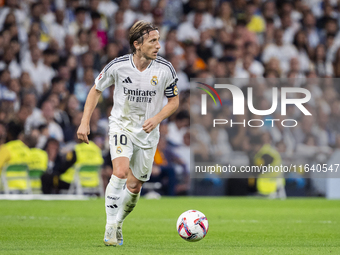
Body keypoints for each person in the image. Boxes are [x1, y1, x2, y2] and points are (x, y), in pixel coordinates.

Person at [77, 20, 179, 246]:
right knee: (120, 171)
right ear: (137, 44)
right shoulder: (118, 65)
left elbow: (174, 101)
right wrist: (84, 122)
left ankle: (119, 222)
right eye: (153, 41)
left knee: (134, 186)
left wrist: (157, 118)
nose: (158, 45)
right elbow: (96, 90)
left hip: (148, 133)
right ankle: (110, 227)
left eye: (158, 40)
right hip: (121, 126)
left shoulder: (165, 69)